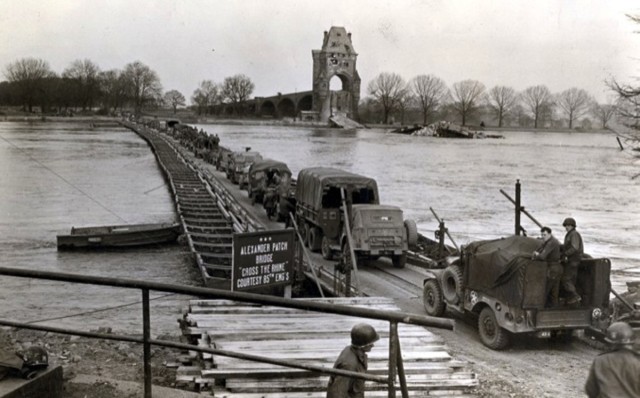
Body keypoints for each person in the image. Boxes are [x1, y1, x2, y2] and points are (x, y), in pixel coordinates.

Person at [585, 321, 640, 397]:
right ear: (631, 341)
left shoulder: (600, 360)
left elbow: (590, 390)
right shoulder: (637, 361)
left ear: (609, 342)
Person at [326, 323, 379, 398]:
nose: (373, 345)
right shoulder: (349, 365)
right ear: (363, 345)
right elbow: (337, 394)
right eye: (370, 343)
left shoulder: (354, 351)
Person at [532, 226, 563, 306]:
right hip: (557, 268)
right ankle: (554, 310)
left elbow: (542, 256)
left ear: (549, 234)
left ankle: (541, 308)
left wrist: (536, 255)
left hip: (553, 269)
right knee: (554, 292)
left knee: (545, 290)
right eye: (542, 235)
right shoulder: (551, 241)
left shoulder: (551, 243)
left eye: (544, 235)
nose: (543, 237)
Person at [561, 217, 584, 305]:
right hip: (572, 260)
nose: (566, 227)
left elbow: (575, 247)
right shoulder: (570, 234)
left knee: (566, 279)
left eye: (568, 225)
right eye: (566, 225)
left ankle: (575, 296)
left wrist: (565, 254)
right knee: (570, 279)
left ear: (572, 226)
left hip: (573, 260)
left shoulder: (573, 234)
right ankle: (572, 298)